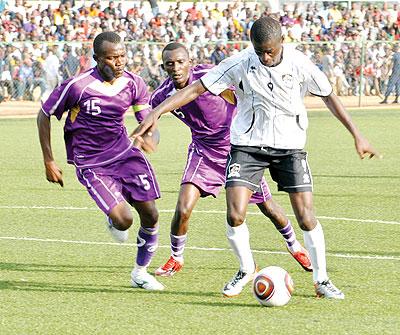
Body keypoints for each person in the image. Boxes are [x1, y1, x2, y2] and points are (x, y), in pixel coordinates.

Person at [133, 17, 381, 300]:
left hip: (290, 146)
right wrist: (156, 113)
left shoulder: (301, 64)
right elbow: (196, 89)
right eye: (259, 50)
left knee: (305, 216)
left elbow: (329, 96)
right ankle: (245, 268)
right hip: (247, 145)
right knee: (235, 213)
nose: (264, 56)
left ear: (281, 43)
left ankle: (321, 279)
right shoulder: (240, 62)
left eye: (270, 51)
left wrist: (357, 134)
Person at [151, 42, 312, 280]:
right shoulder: (161, 96)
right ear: (163, 67)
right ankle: (176, 257)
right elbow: (151, 124)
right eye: (170, 64)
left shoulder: (208, 76)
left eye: (180, 62)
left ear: (189, 62)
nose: (176, 67)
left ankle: (295, 246)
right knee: (183, 208)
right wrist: (150, 139)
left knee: (268, 207)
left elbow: (241, 96)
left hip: (236, 149)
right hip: (203, 152)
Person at [37, 31, 164, 291]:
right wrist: (49, 160)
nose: (119, 62)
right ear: (97, 58)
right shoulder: (77, 86)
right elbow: (44, 114)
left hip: (125, 154)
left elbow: (147, 118)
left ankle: (140, 273)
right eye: (111, 58)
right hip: (92, 163)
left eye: (122, 56)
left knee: (151, 214)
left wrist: (150, 135)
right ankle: (113, 217)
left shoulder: (134, 83)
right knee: (124, 220)